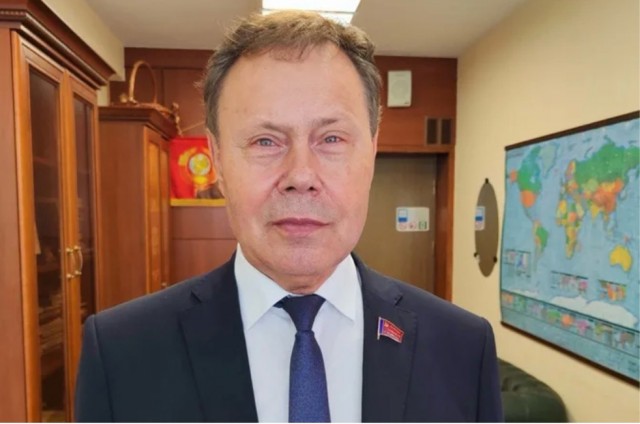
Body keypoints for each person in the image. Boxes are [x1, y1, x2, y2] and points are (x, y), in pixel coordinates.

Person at [75, 10, 503, 423]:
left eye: (331, 138)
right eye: (265, 141)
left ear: (371, 152)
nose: (301, 176)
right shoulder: (121, 353)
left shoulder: (463, 348)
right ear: (218, 159)